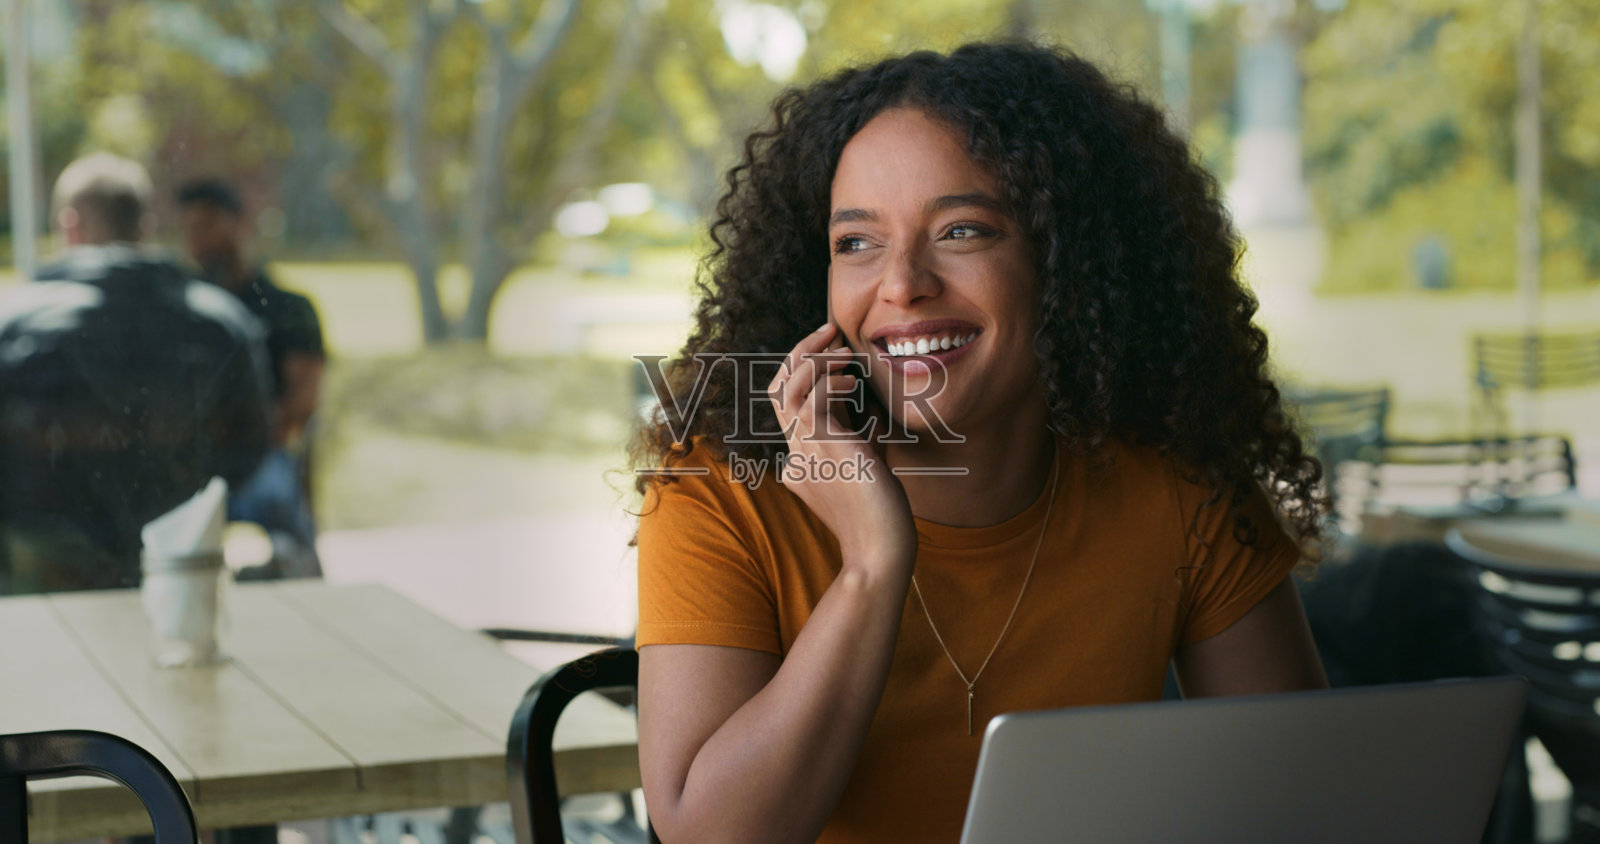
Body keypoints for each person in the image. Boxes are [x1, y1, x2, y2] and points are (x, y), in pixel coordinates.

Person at [629, 42, 1330, 844]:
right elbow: (706, 835)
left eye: (962, 230)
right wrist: (872, 565)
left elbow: (1301, 800)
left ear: (1069, 262)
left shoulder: (1177, 488)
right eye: (855, 242)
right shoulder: (720, 485)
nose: (901, 285)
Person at [0, 153, 273, 594]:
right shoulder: (219, 321)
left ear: (69, 225)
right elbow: (252, 443)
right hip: (177, 564)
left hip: (40, 575)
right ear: (144, 227)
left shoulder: (12, 322)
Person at [176, 177, 326, 578]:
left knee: (277, 508)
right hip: (188, 460)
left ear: (240, 225)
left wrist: (241, 439)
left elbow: (302, 402)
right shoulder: (182, 310)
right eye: (189, 228)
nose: (198, 239)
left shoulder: (287, 308)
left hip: (260, 455)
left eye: (207, 225)